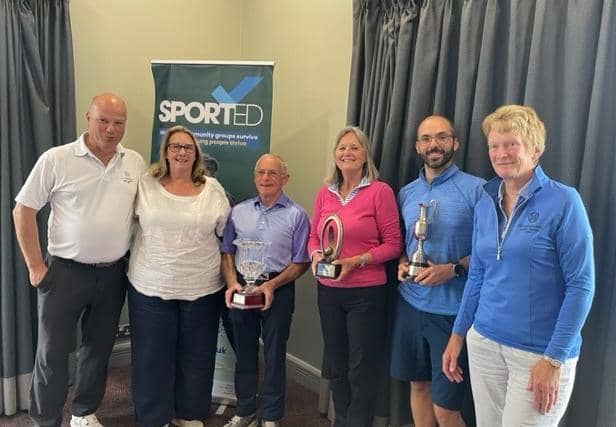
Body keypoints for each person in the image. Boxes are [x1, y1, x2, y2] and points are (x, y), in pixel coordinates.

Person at [442, 105, 595, 426]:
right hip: (484, 343)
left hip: (538, 354)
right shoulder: (485, 200)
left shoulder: (564, 202)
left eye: (511, 144)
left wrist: (554, 359)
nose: (501, 153)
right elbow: (479, 275)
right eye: (494, 145)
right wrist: (458, 334)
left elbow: (581, 285)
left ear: (536, 149)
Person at [13, 93, 145, 427]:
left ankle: (83, 413)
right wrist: (35, 267)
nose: (111, 129)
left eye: (118, 123)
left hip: (113, 273)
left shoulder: (134, 162)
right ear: (88, 117)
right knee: (53, 353)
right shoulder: (57, 159)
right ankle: (45, 419)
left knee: (97, 350)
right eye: (103, 120)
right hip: (64, 273)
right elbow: (23, 210)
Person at [127, 125, 230, 427]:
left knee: (196, 357)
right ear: (166, 151)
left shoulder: (213, 189)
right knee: (151, 358)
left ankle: (189, 414)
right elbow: (128, 223)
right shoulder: (145, 184)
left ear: (196, 153)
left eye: (188, 147)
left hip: (202, 287)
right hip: (150, 285)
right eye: (175, 146)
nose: (182, 152)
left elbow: (225, 234)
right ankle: (153, 417)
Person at [392, 115, 485, 427]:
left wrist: (454, 269)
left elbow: (492, 253)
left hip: (452, 314)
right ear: (418, 146)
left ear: (455, 143)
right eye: (427, 138)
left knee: (446, 409)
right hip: (410, 306)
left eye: (442, 137)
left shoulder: (478, 191)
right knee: (418, 386)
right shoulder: (406, 193)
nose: (435, 144)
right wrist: (404, 262)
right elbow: (405, 243)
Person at [308, 126, 401, 427]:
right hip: (328, 289)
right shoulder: (325, 192)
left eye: (354, 148)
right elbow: (313, 237)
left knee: (360, 369)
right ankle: (343, 421)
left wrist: (358, 261)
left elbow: (394, 244)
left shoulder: (379, 191)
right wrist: (315, 256)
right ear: (334, 155)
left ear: (365, 155)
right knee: (336, 365)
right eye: (341, 147)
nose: (347, 152)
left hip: (365, 292)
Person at [221, 154, 310, 427]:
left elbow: (301, 262)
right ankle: (245, 410)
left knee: (274, 353)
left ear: (285, 178)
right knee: (244, 351)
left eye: (273, 173)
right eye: (261, 172)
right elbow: (227, 252)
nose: (266, 178)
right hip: (241, 287)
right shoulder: (238, 212)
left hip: (279, 289)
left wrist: (271, 285)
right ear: (254, 176)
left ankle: (271, 416)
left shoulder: (297, 215)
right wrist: (232, 282)